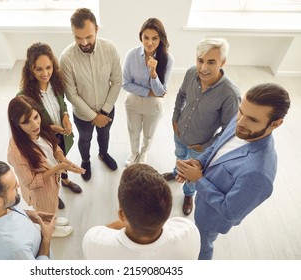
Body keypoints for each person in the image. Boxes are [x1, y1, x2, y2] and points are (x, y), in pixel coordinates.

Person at [175, 83, 291, 260]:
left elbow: (230, 212)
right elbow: (218, 146)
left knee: (203, 244)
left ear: (276, 123)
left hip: (212, 218)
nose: (240, 122)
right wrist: (198, 163)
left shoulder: (259, 174)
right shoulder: (241, 122)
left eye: (252, 119)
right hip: (204, 201)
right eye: (241, 111)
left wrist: (198, 179)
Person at [162, 38, 241, 216]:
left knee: (192, 171)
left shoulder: (230, 94)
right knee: (180, 156)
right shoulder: (190, 73)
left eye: (211, 62)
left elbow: (229, 131)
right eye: (200, 60)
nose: (203, 68)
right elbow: (181, 94)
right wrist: (175, 118)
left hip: (200, 145)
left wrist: (205, 146)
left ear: (223, 62)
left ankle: (189, 194)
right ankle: (176, 173)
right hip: (180, 133)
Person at [82, 163, 200, 259]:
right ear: (167, 212)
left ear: (122, 215)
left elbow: (102, 231)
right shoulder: (188, 231)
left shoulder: (94, 242)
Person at [7, 96, 85, 237]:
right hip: (40, 191)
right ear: (16, 124)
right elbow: (30, 183)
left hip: (53, 181)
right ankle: (50, 230)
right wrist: (58, 168)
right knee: (46, 211)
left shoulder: (40, 129)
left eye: (36, 117)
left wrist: (61, 158)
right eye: (26, 122)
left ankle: (52, 219)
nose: (35, 125)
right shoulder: (16, 152)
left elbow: (54, 146)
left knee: (52, 206)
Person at [60, 8, 122, 181]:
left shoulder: (110, 49)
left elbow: (117, 81)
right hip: (82, 115)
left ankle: (103, 154)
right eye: (78, 38)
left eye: (88, 36)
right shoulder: (66, 58)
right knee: (85, 139)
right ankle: (86, 161)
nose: (84, 42)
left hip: (107, 109)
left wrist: (103, 112)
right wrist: (93, 116)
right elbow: (71, 94)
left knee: (104, 134)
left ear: (97, 29)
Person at [19, 42, 82, 196]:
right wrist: (50, 128)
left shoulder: (56, 83)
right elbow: (26, 126)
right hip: (44, 140)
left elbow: (62, 106)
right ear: (30, 70)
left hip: (61, 136)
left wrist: (65, 115)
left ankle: (65, 181)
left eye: (49, 67)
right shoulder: (24, 97)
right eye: (39, 69)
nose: (45, 73)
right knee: (49, 166)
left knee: (63, 159)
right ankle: (55, 191)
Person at [123, 18, 174, 166]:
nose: (149, 43)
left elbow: (160, 91)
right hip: (133, 101)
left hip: (154, 105)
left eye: (154, 38)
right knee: (133, 131)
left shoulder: (167, 59)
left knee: (149, 134)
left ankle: (144, 152)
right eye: (146, 37)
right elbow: (126, 84)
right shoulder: (131, 55)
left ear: (161, 39)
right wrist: (149, 92)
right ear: (141, 37)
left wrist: (153, 73)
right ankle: (133, 153)